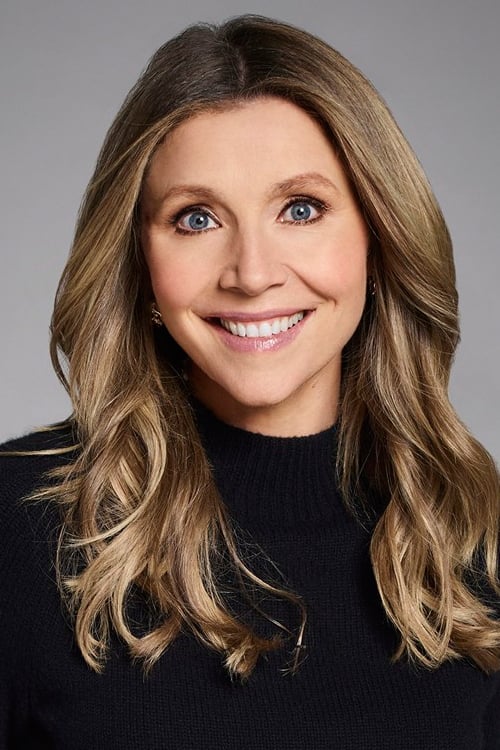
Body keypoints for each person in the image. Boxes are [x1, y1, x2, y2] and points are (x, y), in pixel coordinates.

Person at [0, 14, 499, 749]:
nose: (253, 273)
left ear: (379, 235)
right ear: (140, 262)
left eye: (301, 209)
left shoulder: (475, 540)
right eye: (196, 218)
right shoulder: (18, 531)